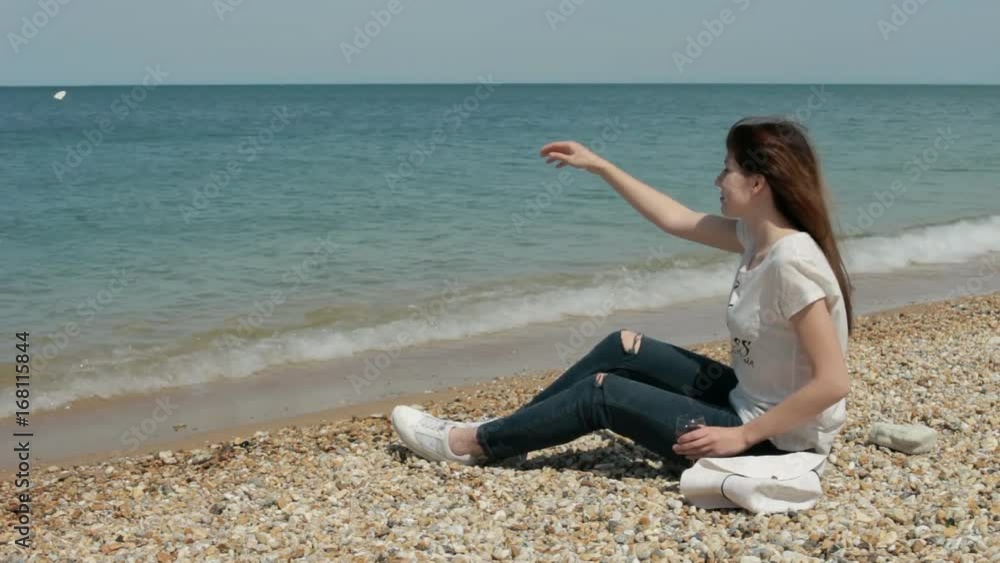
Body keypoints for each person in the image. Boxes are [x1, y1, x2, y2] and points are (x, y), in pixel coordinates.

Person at [391, 116, 854, 468]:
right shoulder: (756, 237)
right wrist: (600, 166)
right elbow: (675, 218)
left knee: (602, 394)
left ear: (757, 182)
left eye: (726, 169)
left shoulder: (791, 262)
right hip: (745, 402)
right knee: (623, 347)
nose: (717, 180)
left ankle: (474, 445)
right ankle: (509, 432)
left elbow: (833, 382)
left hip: (775, 442)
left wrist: (742, 436)